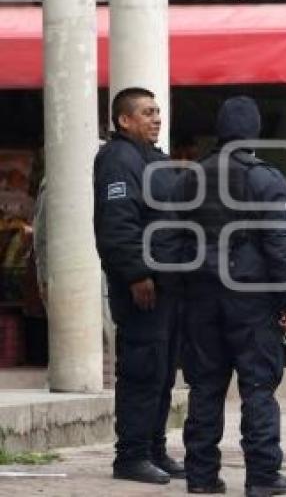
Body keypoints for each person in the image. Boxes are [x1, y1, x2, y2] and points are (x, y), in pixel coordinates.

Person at [175, 97, 286, 496]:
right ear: (254, 134)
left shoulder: (190, 178)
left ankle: (200, 476)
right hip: (250, 300)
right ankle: (263, 476)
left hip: (200, 297)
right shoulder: (265, 179)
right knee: (258, 388)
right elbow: (282, 243)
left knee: (205, 387)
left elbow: (170, 239)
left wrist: (181, 288)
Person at [92, 87, 184, 484]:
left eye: (158, 111)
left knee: (162, 372)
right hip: (141, 287)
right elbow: (117, 225)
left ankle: (154, 448)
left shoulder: (155, 159)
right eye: (147, 112)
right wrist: (136, 274)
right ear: (124, 120)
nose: (156, 118)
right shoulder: (118, 160)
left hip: (167, 285)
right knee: (143, 370)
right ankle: (130, 455)